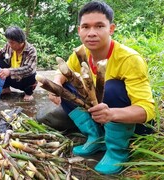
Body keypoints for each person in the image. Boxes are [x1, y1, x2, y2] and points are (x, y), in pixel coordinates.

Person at [45, 1, 155, 175]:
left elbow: (147, 110)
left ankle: (117, 150)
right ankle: (96, 137)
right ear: (79, 30)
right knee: (65, 86)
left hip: (132, 123)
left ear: (111, 29)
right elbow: (63, 72)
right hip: (101, 115)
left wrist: (112, 114)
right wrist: (56, 85)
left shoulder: (129, 59)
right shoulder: (81, 52)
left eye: (99, 26)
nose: (91, 33)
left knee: (111, 87)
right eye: (86, 27)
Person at [0, 26, 37, 101]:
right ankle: (5, 88)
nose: (9, 44)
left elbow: (29, 69)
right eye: (8, 41)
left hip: (24, 81)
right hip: (12, 79)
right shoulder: (9, 46)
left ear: (21, 41)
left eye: (12, 43)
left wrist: (9, 71)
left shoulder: (31, 50)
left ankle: (28, 93)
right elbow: (0, 55)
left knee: (32, 74)